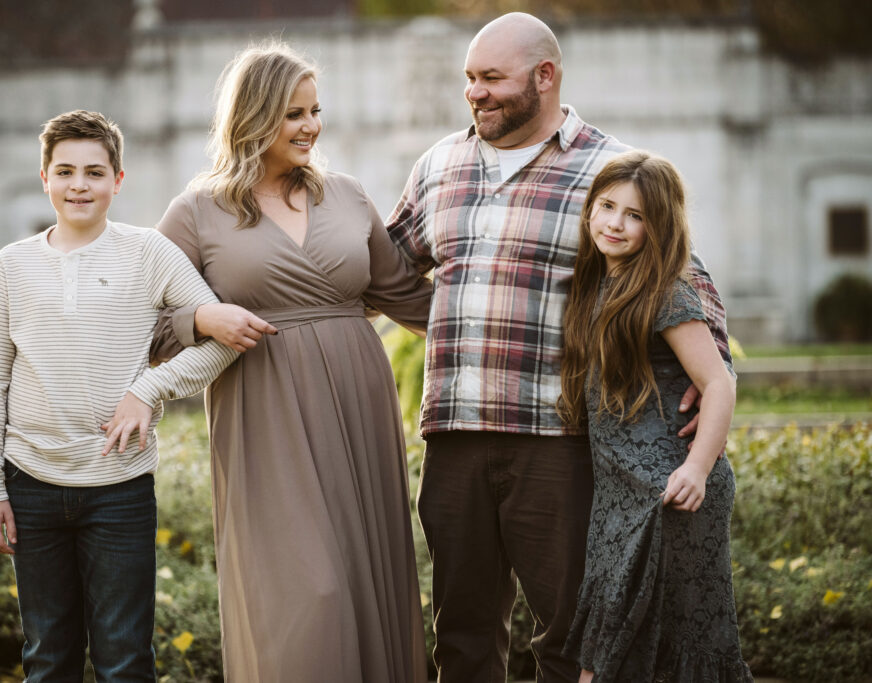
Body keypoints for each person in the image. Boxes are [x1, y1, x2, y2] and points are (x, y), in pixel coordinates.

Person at [385, 13, 733, 683]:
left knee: (571, 635)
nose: (474, 93)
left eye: (491, 78)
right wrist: (448, 320)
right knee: (460, 635)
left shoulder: (611, 170)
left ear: (545, 78)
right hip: (452, 437)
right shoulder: (439, 164)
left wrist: (706, 364)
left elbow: (684, 276)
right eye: (468, 79)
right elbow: (390, 268)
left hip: (561, 439)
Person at [149, 43, 431, 683]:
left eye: (315, 111)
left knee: (366, 577)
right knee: (310, 592)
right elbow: (136, 322)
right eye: (293, 114)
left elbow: (409, 298)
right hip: (263, 410)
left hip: (358, 401)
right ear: (252, 118)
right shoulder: (197, 212)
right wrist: (200, 318)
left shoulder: (349, 197)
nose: (311, 127)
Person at [0, 110, 265, 680]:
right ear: (44, 178)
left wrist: (148, 389)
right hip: (30, 484)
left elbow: (222, 340)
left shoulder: (149, 253)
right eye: (66, 171)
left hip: (120, 491)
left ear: (118, 180)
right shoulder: (11, 266)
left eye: (95, 172)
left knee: (125, 659)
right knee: (46, 658)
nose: (80, 184)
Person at [557, 150, 752, 682]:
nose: (616, 223)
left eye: (636, 215)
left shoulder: (664, 291)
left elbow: (718, 383)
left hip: (671, 490)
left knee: (651, 654)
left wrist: (697, 469)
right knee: (615, 647)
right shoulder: (596, 284)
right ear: (589, 211)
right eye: (607, 206)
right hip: (621, 492)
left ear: (659, 224)